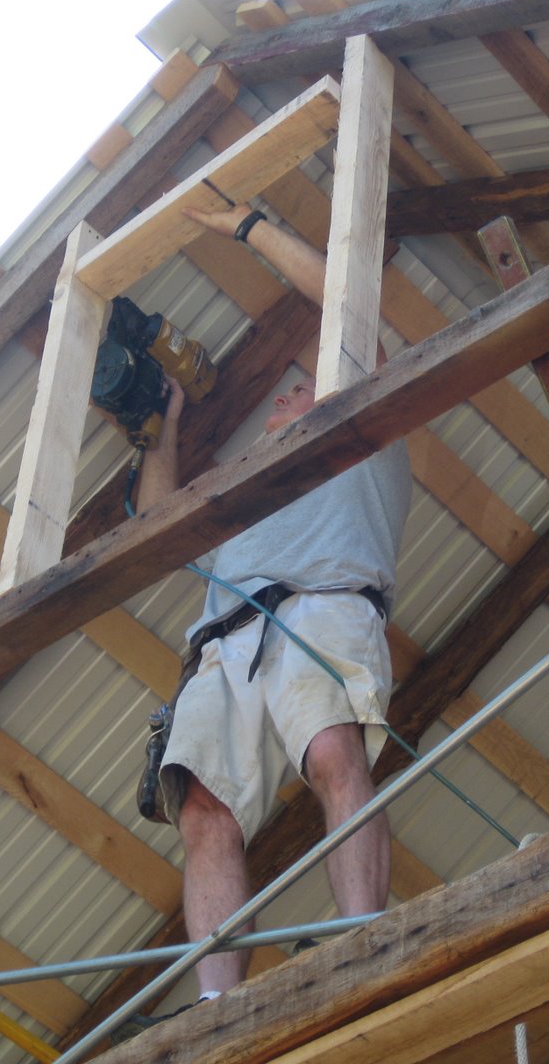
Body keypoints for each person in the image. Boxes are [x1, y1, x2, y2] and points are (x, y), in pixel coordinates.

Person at [135, 204, 411, 1001]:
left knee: (333, 755)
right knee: (205, 816)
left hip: (326, 603)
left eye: (296, 394)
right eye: (284, 402)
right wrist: (160, 429)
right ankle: (218, 1007)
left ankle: (362, 942)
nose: (288, 398)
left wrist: (247, 224)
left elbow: (346, 304)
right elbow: (155, 525)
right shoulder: (241, 505)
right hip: (228, 641)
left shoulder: (365, 430)